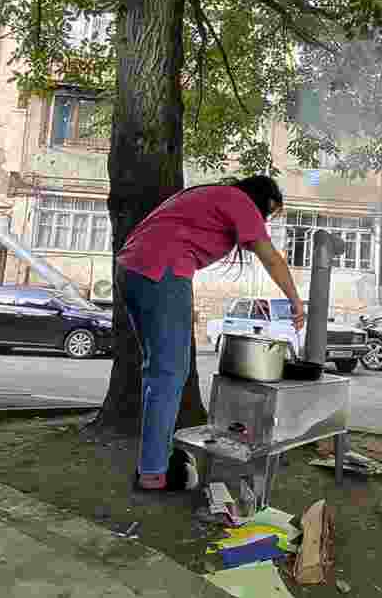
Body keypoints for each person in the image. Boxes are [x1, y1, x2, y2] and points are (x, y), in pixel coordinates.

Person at [116, 175, 305, 491]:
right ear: (259, 199)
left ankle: (155, 458)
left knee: (160, 371)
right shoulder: (238, 200)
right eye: (268, 212)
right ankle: (153, 472)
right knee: (169, 373)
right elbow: (270, 257)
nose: (264, 220)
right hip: (161, 270)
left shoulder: (210, 195)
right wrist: (296, 302)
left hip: (133, 269)